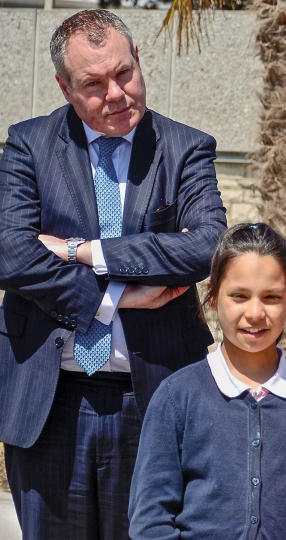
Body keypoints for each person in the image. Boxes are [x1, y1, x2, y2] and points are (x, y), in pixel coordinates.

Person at [0, 10, 226, 538]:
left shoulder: (186, 148)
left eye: (123, 73)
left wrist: (83, 251)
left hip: (152, 398)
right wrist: (112, 301)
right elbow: (10, 253)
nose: (116, 93)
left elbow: (207, 248)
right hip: (49, 401)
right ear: (64, 86)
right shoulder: (29, 146)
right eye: (93, 84)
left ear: (138, 59)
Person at [129, 223, 286, 539]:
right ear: (214, 297)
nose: (255, 312)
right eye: (239, 296)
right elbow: (150, 520)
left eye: (271, 297)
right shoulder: (176, 397)